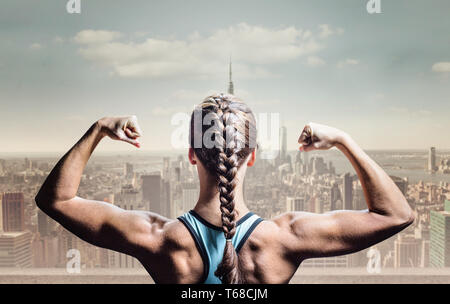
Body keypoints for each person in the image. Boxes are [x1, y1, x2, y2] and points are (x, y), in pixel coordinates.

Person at [35, 93, 414, 284]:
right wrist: (344, 140)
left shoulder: (160, 240)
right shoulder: (285, 239)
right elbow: (395, 214)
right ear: (251, 157)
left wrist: (100, 127)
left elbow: (57, 199)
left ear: (190, 156)